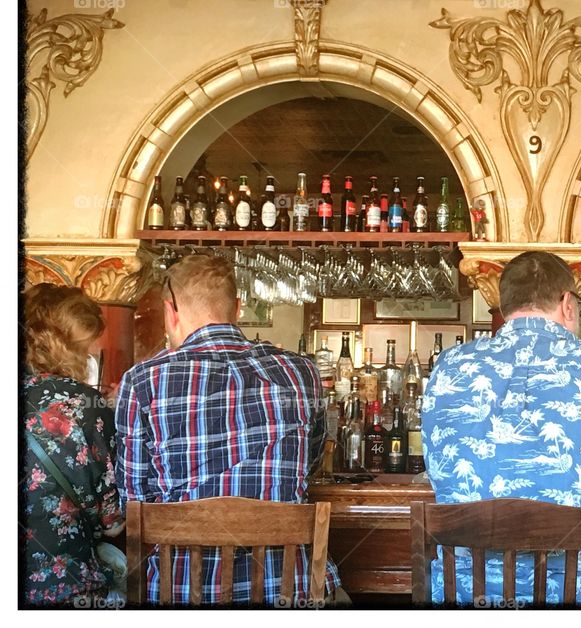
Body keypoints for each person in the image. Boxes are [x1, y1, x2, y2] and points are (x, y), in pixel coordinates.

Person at [422, 251, 581, 605]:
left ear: (504, 305)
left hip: (465, 601)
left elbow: (433, 459)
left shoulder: (449, 370)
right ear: (568, 304)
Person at [114, 255, 341, 605]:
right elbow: (310, 462)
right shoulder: (301, 372)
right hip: (286, 593)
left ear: (169, 312)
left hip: (179, 595)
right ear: (237, 308)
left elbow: (133, 502)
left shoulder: (143, 381)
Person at [22, 284, 124, 606]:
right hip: (65, 589)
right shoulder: (86, 405)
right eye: (87, 347)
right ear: (68, 347)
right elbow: (112, 521)